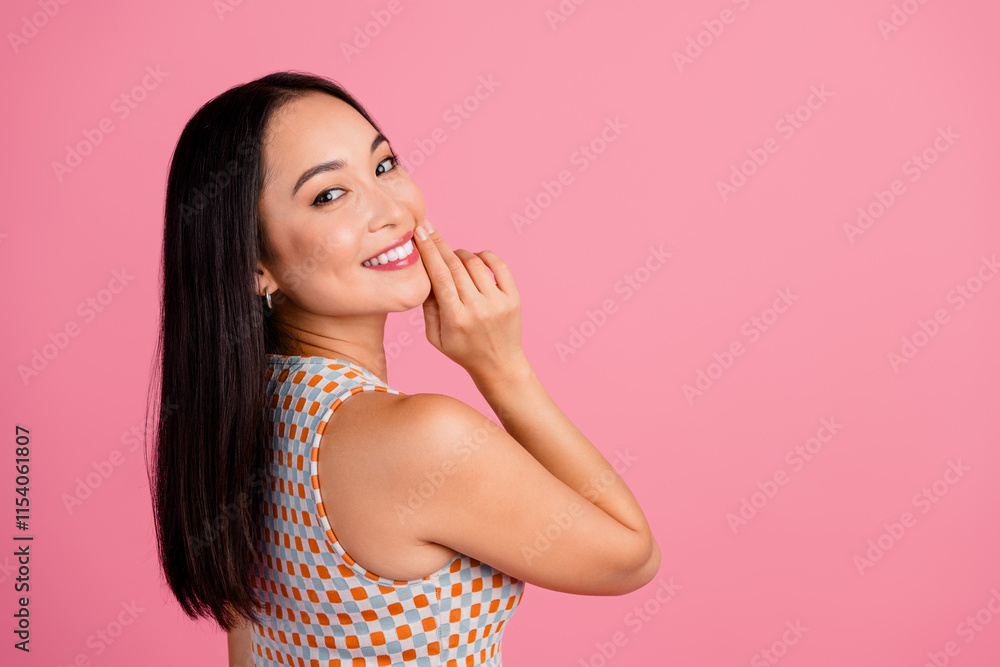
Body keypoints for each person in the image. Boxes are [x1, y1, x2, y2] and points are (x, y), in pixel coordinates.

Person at [148, 71, 660, 666]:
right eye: (329, 194)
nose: (391, 209)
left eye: (384, 166)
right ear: (253, 265)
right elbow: (632, 557)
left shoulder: (236, 421)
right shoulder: (421, 439)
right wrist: (502, 367)